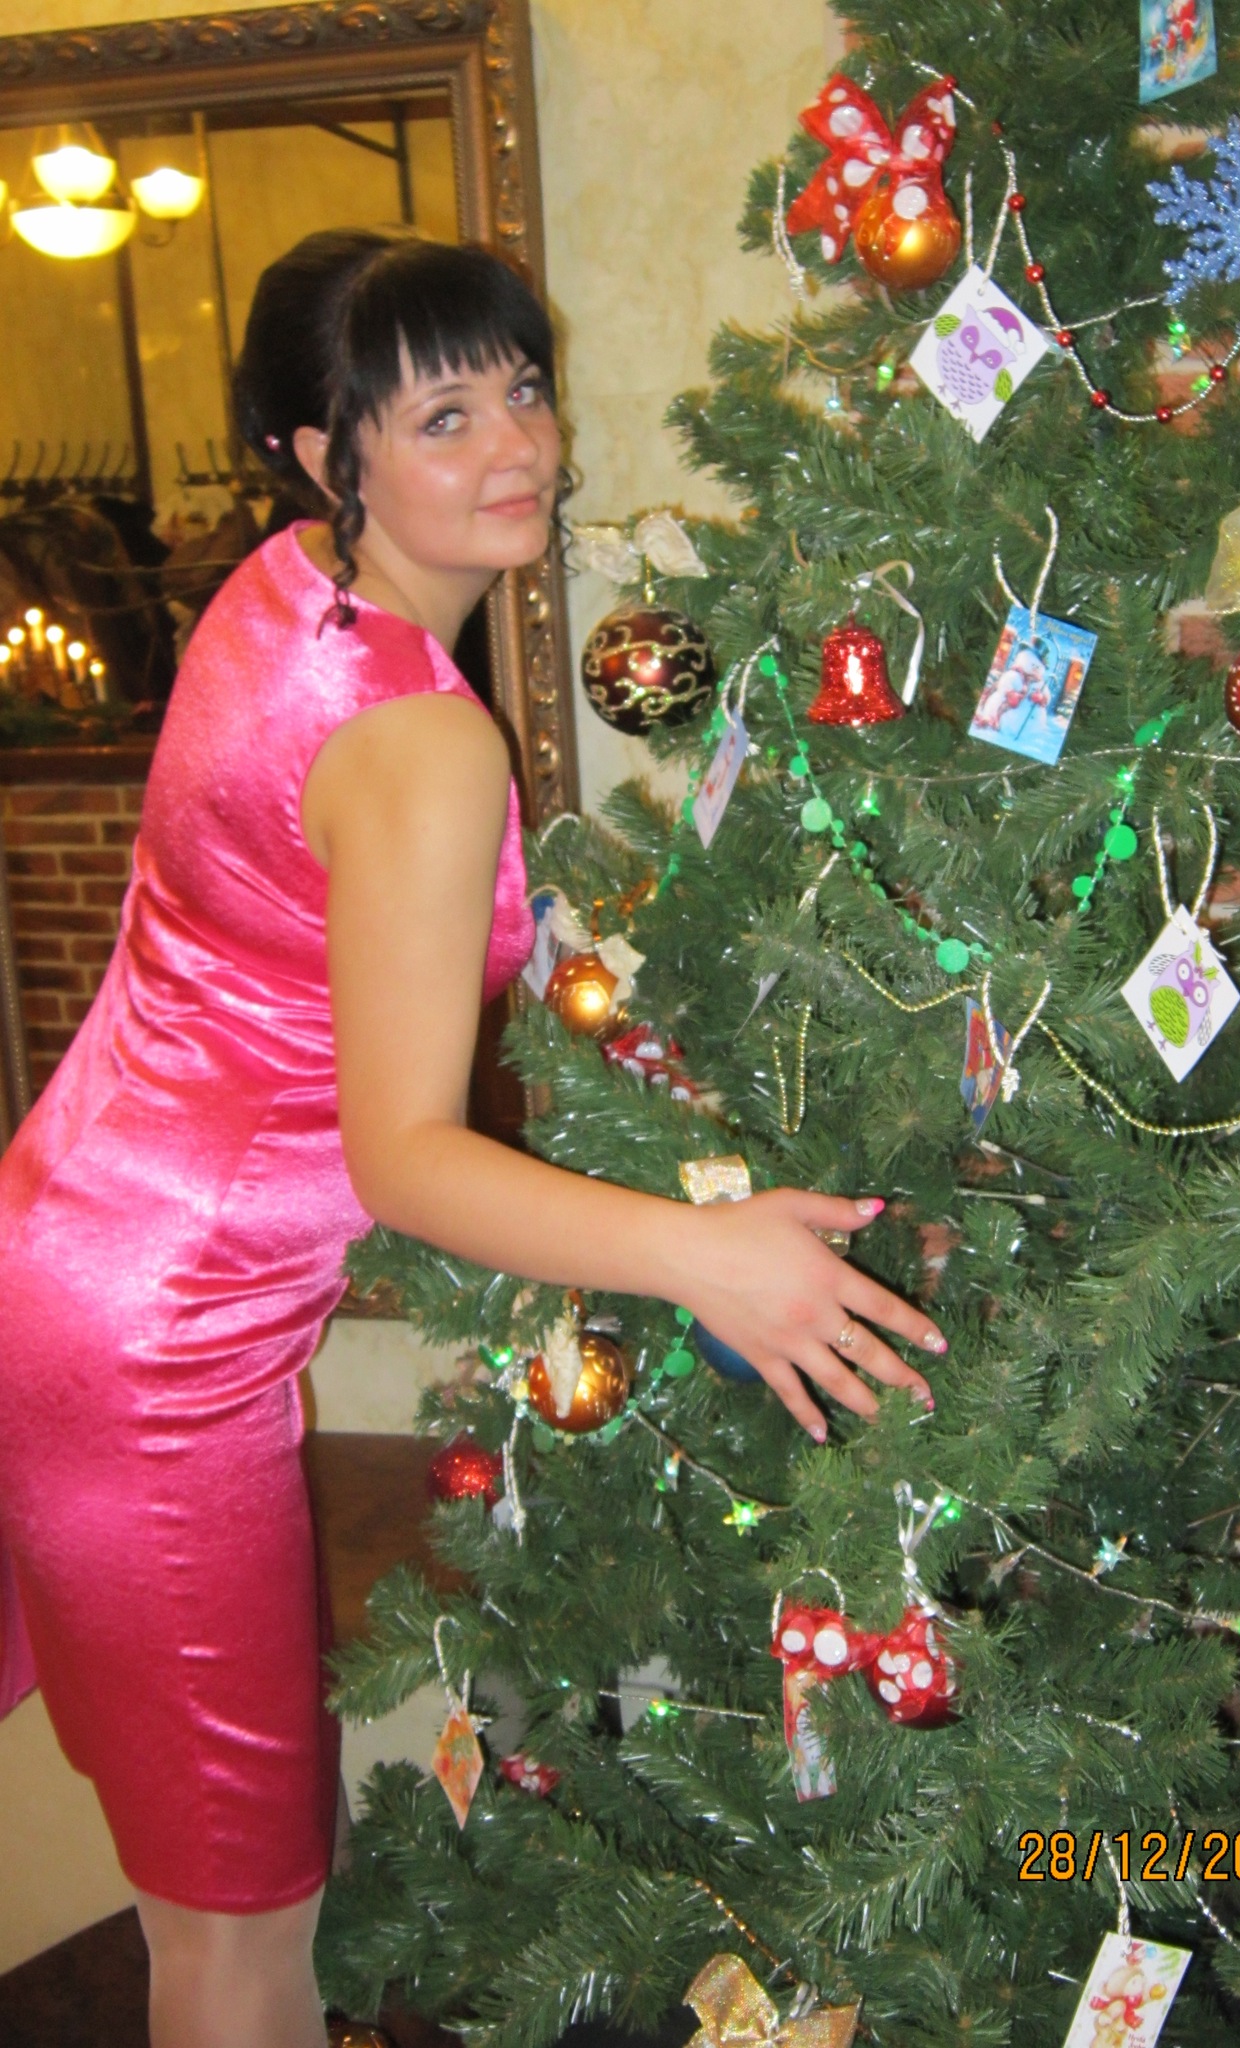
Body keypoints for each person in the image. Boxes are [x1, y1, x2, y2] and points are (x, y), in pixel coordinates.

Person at [0, 230, 944, 2048]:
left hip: (67, 1243)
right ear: (321, 454)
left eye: (520, 388)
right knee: (237, 1938)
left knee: (202, 1890)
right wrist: (708, 1256)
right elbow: (403, 1159)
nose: (517, 445)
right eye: (441, 417)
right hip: (156, 1349)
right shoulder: (423, 745)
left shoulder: (276, 596)